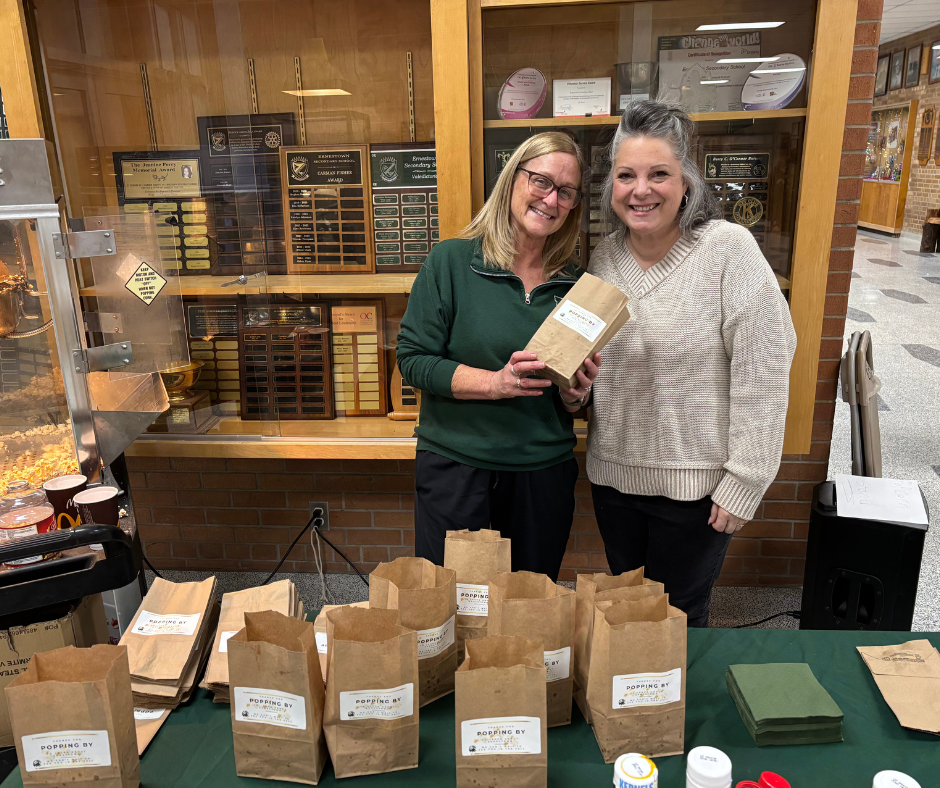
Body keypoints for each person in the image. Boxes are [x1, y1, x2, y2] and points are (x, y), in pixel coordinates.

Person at [587, 101, 797, 626]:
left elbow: (766, 370)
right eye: (626, 175)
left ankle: (675, 713)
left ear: (687, 183)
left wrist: (746, 479)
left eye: (660, 174)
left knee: (678, 623)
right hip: (614, 480)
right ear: (611, 184)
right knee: (626, 617)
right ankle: (630, 711)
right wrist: (575, 387)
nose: (642, 190)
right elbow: (595, 364)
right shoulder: (604, 256)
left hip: (696, 492)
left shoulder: (729, 251)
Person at [397, 132, 600, 581]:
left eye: (566, 191)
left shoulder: (576, 286)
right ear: (513, 180)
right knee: (450, 602)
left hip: (541, 472)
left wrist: (575, 395)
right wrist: (494, 383)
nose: (551, 199)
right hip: (456, 466)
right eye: (541, 181)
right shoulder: (451, 262)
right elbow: (412, 359)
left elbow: (573, 401)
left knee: (529, 604)